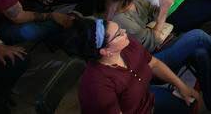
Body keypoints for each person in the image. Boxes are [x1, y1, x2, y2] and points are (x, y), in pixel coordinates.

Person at [102, 0, 211, 112]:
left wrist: (164, 3)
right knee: (197, 36)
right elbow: (151, 43)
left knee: (200, 53)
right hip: (148, 62)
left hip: (162, 43)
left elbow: (153, 14)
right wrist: (164, 11)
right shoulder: (121, 18)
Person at [71, 16, 200, 114]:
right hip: (138, 107)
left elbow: (154, 64)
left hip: (147, 97)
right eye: (118, 34)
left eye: (120, 28)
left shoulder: (127, 44)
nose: (124, 31)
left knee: (189, 105)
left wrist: (181, 85)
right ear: (106, 51)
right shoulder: (96, 86)